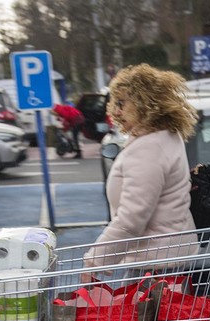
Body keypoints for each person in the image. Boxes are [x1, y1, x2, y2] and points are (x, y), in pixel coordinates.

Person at [83, 64, 199, 273]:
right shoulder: (166, 136)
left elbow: (132, 218)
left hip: (154, 264)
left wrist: (95, 261)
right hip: (167, 257)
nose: (116, 111)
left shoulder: (150, 146)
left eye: (121, 103)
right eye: (114, 103)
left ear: (144, 103)